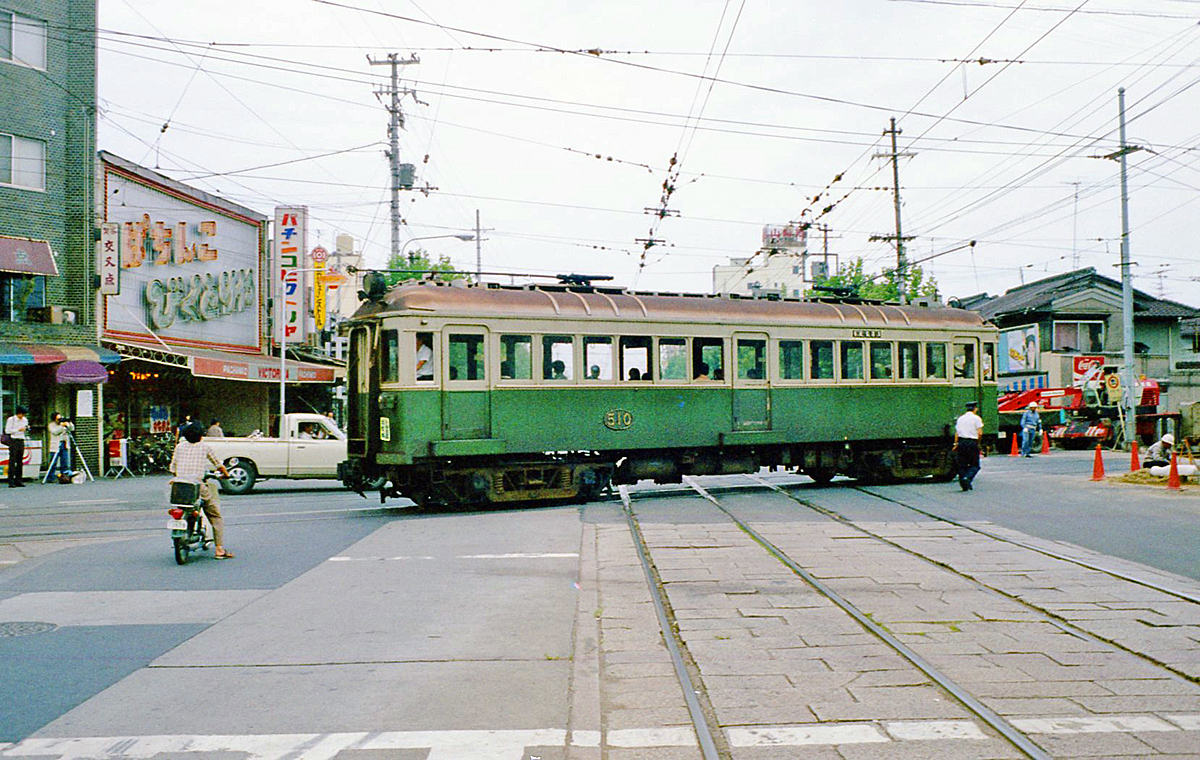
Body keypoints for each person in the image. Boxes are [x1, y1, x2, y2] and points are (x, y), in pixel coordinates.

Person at [169, 422, 234, 559]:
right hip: (197, 486)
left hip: (179, 486)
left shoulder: (179, 447)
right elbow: (218, 464)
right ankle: (219, 549)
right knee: (215, 515)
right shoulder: (204, 447)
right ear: (200, 436)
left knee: (183, 507)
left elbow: (173, 468)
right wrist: (226, 474)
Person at [953, 401, 984, 492]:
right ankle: (967, 477)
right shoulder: (976, 418)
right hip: (972, 442)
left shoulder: (960, 419)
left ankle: (964, 484)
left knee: (962, 464)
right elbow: (980, 433)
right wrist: (978, 443)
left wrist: (956, 444)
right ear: (975, 409)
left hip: (961, 442)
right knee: (975, 464)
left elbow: (957, 433)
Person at [47, 413, 75, 483]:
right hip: (55, 445)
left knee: (64, 461)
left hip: (64, 444)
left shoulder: (64, 424)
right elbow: (55, 432)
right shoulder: (51, 425)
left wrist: (69, 422)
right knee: (53, 462)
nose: (59, 420)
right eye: (58, 419)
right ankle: (51, 477)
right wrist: (62, 426)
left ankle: (64, 477)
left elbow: (72, 428)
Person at [4, 406, 28, 488]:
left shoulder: (25, 420)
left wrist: (26, 429)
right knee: (12, 460)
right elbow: (7, 430)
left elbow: (25, 428)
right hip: (13, 440)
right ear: (18, 413)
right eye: (22, 414)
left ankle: (19, 480)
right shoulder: (11, 420)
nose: (23, 416)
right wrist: (18, 430)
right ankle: (11, 481)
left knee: (20, 460)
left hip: (21, 439)